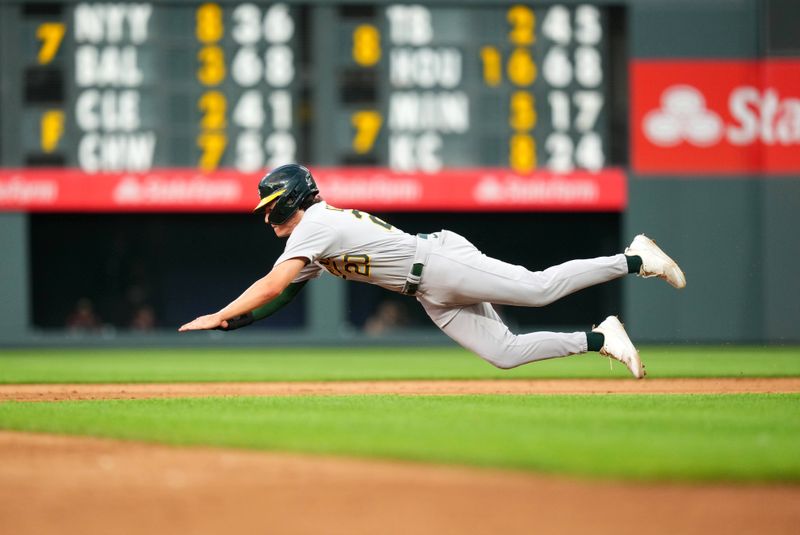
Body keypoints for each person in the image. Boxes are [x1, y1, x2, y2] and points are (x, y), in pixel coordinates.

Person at [179, 164, 686, 379]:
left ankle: (635, 258)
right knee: (503, 354)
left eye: (271, 204)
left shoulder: (315, 223)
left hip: (440, 263)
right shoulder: (312, 237)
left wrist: (218, 313)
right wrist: (236, 322)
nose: (267, 214)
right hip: (427, 288)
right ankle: (601, 340)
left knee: (538, 289)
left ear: (291, 200)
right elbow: (284, 295)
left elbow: (270, 283)